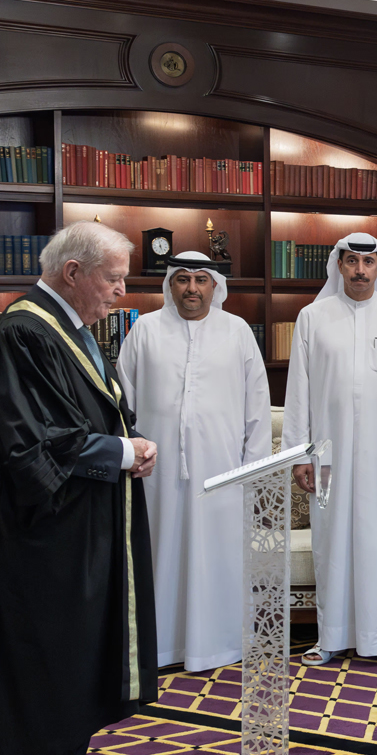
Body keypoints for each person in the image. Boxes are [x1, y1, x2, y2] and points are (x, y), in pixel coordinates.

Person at [0, 222, 158, 755]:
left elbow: (89, 413)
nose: (121, 292)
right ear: (73, 272)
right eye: (113, 279)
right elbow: (31, 440)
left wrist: (127, 443)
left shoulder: (66, 328)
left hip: (83, 520)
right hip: (46, 533)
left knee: (81, 650)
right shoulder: (24, 332)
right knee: (53, 653)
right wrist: (122, 453)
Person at [117, 253, 269, 673]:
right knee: (160, 554)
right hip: (156, 474)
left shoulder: (237, 331)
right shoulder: (145, 330)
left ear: (215, 286)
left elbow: (258, 407)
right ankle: (160, 646)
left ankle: (219, 645)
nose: (191, 288)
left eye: (201, 280)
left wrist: (252, 471)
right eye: (183, 279)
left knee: (218, 557)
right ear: (170, 285)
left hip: (223, 472)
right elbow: (122, 401)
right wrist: (130, 454)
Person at [283, 232, 377, 666]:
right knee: (331, 540)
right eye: (352, 261)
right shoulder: (312, 317)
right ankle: (330, 637)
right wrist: (299, 455)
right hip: (327, 454)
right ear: (339, 265)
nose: (360, 270)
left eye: (368, 262)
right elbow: (298, 391)